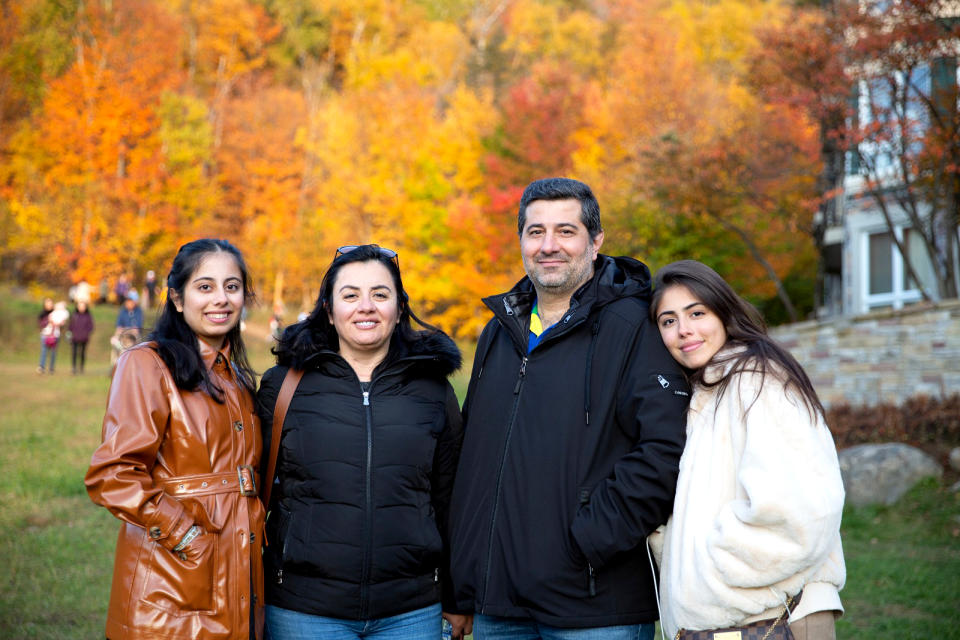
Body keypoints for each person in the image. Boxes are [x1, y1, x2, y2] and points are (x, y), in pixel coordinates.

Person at [448, 178, 690, 640]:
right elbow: (476, 463)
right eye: (535, 232)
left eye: (566, 230)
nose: (548, 246)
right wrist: (465, 581)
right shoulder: (499, 333)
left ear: (595, 241)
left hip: (595, 605)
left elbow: (665, 449)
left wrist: (589, 541)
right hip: (500, 606)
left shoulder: (634, 325)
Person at [256, 244, 464, 640]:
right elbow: (248, 496)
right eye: (350, 295)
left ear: (399, 310)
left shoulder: (432, 391)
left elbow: (451, 498)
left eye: (380, 295)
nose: (365, 306)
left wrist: (456, 596)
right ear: (329, 312)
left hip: (411, 612)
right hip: (304, 608)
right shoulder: (283, 387)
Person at [649, 260, 845, 640]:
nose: (683, 330)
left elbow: (799, 511)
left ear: (723, 313)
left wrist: (710, 572)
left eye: (697, 313)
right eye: (668, 321)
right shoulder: (707, 393)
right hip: (732, 621)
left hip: (772, 617)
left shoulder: (758, 383)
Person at [85, 239, 265, 640]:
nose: (221, 299)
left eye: (232, 287)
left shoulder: (236, 378)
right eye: (205, 287)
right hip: (170, 582)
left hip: (240, 581)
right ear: (178, 299)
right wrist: (186, 536)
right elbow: (113, 474)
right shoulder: (148, 363)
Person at [111, 290, 144, 367]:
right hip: (123, 336)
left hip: (134, 338)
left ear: (134, 302)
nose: (128, 303)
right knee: (114, 341)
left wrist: (125, 329)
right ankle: (115, 366)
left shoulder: (138, 311)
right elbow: (118, 327)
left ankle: (127, 366)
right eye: (127, 301)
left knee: (128, 345)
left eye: (130, 301)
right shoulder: (123, 311)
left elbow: (136, 329)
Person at [69, 300, 95, 374]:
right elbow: (70, 325)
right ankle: (74, 368)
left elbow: (91, 326)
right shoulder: (74, 315)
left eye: (83, 306)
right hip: (75, 337)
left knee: (82, 353)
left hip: (84, 338)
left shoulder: (88, 315)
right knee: (74, 353)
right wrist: (70, 333)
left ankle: (81, 368)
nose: (81, 308)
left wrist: (87, 333)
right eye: (80, 306)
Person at [36, 297, 54, 374]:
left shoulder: (55, 313)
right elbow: (40, 324)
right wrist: (48, 321)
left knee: (53, 352)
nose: (49, 305)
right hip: (45, 334)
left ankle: (51, 368)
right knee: (44, 351)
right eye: (47, 303)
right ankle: (41, 366)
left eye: (50, 303)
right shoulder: (42, 314)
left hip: (54, 335)